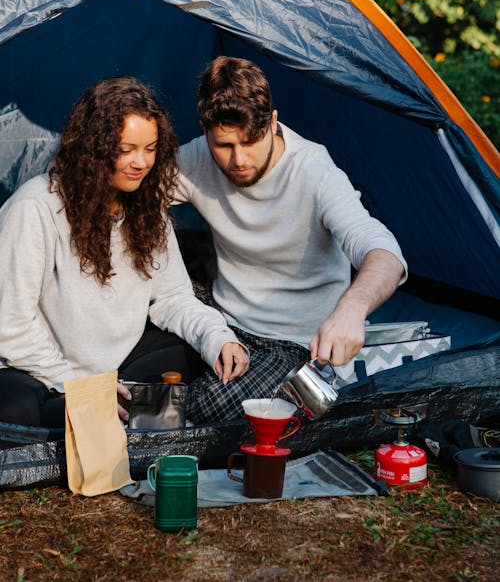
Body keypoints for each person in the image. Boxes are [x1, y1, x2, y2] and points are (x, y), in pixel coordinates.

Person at [0, 76, 248, 431]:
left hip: (120, 366)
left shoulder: (147, 209)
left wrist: (217, 337)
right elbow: (11, 327)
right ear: (95, 147)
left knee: (202, 353)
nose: (141, 162)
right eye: (126, 148)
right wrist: (83, 388)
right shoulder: (35, 207)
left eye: (150, 149)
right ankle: (112, 413)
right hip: (44, 371)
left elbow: (174, 297)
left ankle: (123, 412)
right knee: (17, 410)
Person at [175, 56, 407, 423]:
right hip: (220, 321)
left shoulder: (314, 170)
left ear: (272, 122)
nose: (238, 159)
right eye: (223, 145)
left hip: (292, 344)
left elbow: (384, 252)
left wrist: (352, 308)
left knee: (214, 407)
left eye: (250, 141)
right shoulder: (197, 157)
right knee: (135, 352)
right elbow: (132, 196)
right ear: (206, 132)